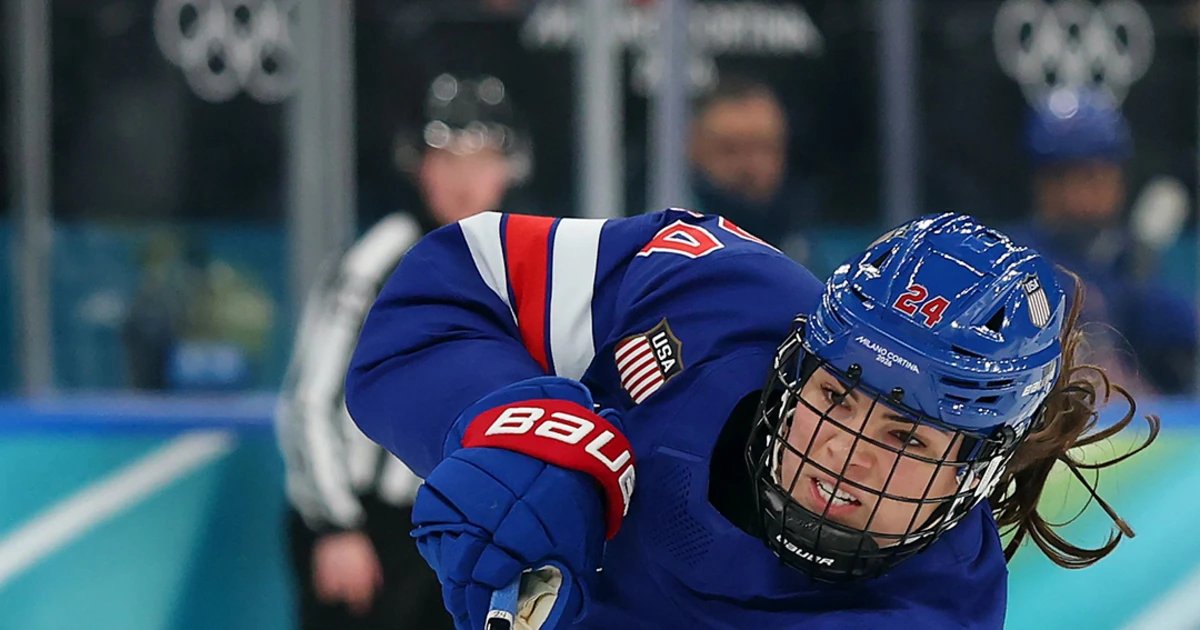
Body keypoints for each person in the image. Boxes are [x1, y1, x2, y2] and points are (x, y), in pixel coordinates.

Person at [344, 208, 1157, 628]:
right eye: (836, 395)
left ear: (973, 472)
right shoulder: (712, 290)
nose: (844, 450)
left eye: (906, 435)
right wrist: (523, 430)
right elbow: (446, 294)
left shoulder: (933, 611)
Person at [276, 73, 529, 629]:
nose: (466, 179)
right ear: (419, 166)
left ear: (510, 167)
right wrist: (335, 525)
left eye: (482, 157)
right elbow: (309, 401)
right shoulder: (378, 262)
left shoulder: (525, 266)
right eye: (447, 158)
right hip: (369, 531)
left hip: (462, 532)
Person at [1014, 86, 1197, 394]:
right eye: (1063, 175)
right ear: (1041, 183)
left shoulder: (1128, 255)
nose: (1080, 193)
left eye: (1097, 174)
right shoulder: (1016, 261)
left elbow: (1177, 325)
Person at [686, 76, 820, 262]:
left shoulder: (819, 247)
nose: (751, 167)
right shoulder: (666, 241)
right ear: (695, 150)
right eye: (730, 150)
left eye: (766, 148)